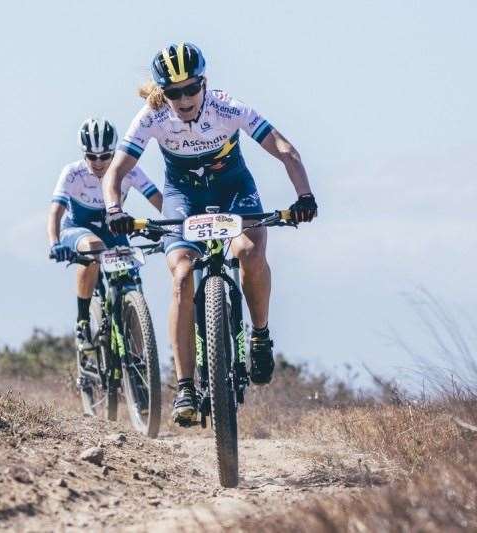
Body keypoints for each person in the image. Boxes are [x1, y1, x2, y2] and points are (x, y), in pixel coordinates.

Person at [102, 42, 317, 425]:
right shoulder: (151, 116)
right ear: (161, 93)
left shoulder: (227, 107)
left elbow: (284, 148)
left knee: (250, 253)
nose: (183, 99)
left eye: (190, 88)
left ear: (205, 83)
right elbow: (116, 172)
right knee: (183, 275)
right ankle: (185, 386)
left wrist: (304, 195)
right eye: (173, 92)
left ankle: (260, 336)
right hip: (182, 196)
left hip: (234, 189)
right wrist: (115, 210)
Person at [48, 117, 162, 357]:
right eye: (91, 156)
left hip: (113, 232)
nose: (98, 162)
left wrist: (173, 225)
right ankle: (82, 322)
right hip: (77, 229)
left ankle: (139, 359)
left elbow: (157, 199)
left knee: (132, 280)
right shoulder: (72, 173)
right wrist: (55, 243)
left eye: (105, 156)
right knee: (93, 247)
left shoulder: (127, 170)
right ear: (84, 154)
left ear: (114, 152)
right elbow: (55, 212)